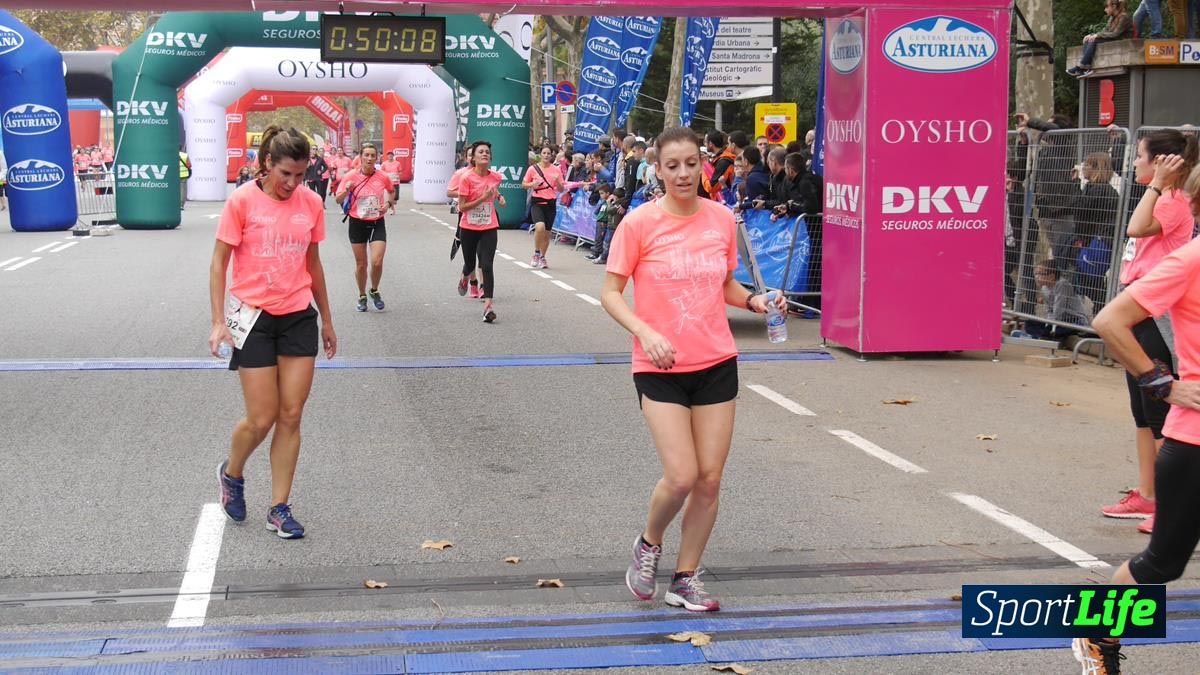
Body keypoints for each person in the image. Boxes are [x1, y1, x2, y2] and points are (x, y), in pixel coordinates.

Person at [601, 126, 787, 613]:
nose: (683, 174)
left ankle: (685, 577)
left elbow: (724, 283)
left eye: (691, 164)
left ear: (702, 165)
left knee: (709, 478)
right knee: (681, 474)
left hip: (716, 361)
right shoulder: (639, 223)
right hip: (659, 364)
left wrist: (755, 300)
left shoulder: (721, 220)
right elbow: (610, 293)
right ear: (657, 171)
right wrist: (645, 332)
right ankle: (648, 542)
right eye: (672, 166)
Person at [1073, 162, 1200, 675]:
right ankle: (1095, 633)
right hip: (1194, 443)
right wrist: (1162, 384)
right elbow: (1110, 320)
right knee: (1161, 565)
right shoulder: (1192, 258)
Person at [208, 125, 337, 540]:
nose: (293, 183)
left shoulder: (312, 203)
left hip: (298, 313)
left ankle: (279, 508)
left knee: (291, 414)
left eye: (300, 175)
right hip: (254, 317)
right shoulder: (242, 201)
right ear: (267, 164)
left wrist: (328, 320)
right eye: (286, 174)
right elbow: (219, 262)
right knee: (262, 417)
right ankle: (232, 473)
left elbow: (312, 263)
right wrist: (217, 321)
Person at [1100, 131, 1198, 536]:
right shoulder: (1163, 197)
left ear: (1160, 162)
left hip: (1154, 314)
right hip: (1137, 307)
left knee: (1160, 415)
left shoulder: (1173, 201)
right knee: (1142, 414)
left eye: (1140, 157)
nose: (1135, 164)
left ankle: (1167, 504)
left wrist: (1157, 184)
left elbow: (1136, 229)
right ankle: (1147, 493)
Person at [335, 143, 396, 313]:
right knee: (361, 264)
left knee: (377, 261)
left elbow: (392, 191)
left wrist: (388, 204)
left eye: (372, 155)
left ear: (377, 158)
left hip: (377, 221)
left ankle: (374, 289)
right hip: (357, 222)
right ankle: (362, 295)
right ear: (360, 157)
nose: (369, 158)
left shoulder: (383, 176)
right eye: (366, 155)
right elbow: (338, 200)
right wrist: (346, 191)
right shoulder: (350, 176)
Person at [457, 140, 506, 323]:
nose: (485, 154)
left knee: (486, 265)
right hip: (469, 227)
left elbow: (494, 190)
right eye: (481, 152)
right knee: (470, 264)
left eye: (487, 152)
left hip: (489, 226)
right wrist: (483, 198)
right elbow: (462, 206)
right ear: (474, 158)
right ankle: (465, 275)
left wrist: (499, 197)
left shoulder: (495, 177)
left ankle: (488, 306)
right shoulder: (466, 178)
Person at [1073, 152, 1121, 313]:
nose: (1083, 168)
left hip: (1098, 242)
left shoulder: (1099, 190)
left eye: (1086, 165)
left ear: (1096, 168)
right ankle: (1100, 315)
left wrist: (1073, 185)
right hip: (1094, 240)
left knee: (1089, 281)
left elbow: (1080, 208)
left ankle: (1103, 314)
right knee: (1089, 281)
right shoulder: (1096, 188)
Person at [1024, 260, 1090, 339]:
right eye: (1036, 274)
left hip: (1074, 320)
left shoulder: (1062, 285)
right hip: (1058, 321)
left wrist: (1051, 326)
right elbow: (1050, 310)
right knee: (1029, 323)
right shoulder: (1044, 287)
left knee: (1049, 331)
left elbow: (1059, 309)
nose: (1037, 277)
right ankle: (1043, 335)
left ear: (1052, 276)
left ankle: (1042, 335)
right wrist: (1048, 324)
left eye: (1040, 274)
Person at [523, 145, 565, 269]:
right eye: (544, 153)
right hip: (537, 202)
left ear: (551, 156)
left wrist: (557, 182)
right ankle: (536, 253)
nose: (546, 155)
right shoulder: (533, 169)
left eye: (548, 153)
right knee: (540, 227)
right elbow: (524, 184)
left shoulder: (556, 170)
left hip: (551, 203)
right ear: (540, 155)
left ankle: (542, 257)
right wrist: (532, 184)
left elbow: (561, 189)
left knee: (547, 234)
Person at [1068, 0, 1133, 77]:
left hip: (1121, 41)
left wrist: (1097, 36)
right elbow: (1105, 31)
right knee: (1089, 39)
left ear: (1114, 7)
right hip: (1113, 39)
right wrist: (1092, 35)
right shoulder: (1112, 18)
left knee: (1094, 39)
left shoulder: (1124, 17)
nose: (1105, 10)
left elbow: (1116, 34)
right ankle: (1086, 67)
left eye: (1106, 7)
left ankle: (1082, 67)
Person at [701, 130, 736, 201]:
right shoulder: (722, 157)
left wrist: (704, 169)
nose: (704, 144)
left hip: (727, 201)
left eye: (705, 142)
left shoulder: (724, 161)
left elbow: (711, 187)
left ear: (710, 143)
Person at [179, 145, 192, 210]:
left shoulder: (171, 155)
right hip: (184, 175)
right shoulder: (185, 155)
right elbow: (189, 165)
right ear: (181, 148)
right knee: (182, 190)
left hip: (174, 175)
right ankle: (181, 205)